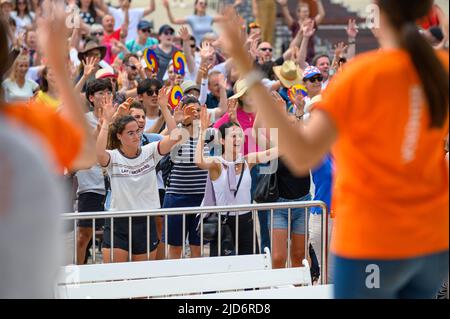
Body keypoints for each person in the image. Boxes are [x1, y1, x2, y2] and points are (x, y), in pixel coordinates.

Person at [221, 0, 449, 298]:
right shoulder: (440, 69)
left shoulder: (360, 75)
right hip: (430, 241)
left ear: (375, 15)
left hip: (371, 240)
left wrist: (247, 68)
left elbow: (302, 155)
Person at [96, 90, 179, 263]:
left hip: (144, 220)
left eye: (137, 131)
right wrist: (106, 121)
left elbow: (175, 138)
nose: (136, 135)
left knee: (141, 280)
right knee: (114, 277)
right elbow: (98, 153)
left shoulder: (150, 151)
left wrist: (164, 108)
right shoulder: (113, 157)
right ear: (119, 136)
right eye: (130, 133)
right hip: (118, 221)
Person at [196, 106, 278, 256]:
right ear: (221, 140)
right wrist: (202, 132)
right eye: (233, 136)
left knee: (250, 269)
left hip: (246, 223)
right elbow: (199, 161)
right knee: (223, 271)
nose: (238, 139)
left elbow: (275, 151)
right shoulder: (217, 164)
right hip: (223, 223)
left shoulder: (248, 160)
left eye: (240, 136)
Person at [162, 0, 240, 46]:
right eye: (201, 3)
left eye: (205, 4)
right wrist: (168, 8)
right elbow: (173, 21)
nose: (203, 5)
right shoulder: (191, 18)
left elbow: (227, 18)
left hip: (213, 45)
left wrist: (235, 5)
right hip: (199, 47)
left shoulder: (210, 18)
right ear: (195, 5)